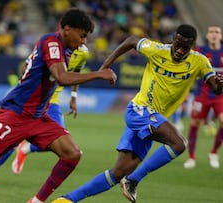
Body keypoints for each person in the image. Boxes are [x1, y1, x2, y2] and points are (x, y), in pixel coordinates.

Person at [0, 8, 117, 203]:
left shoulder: (63, 49)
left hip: (38, 116)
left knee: (72, 154)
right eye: (82, 35)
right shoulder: (52, 42)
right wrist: (99, 74)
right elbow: (61, 77)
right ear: (67, 29)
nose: (83, 41)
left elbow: (28, 67)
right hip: (15, 114)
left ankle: (37, 201)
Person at [51, 24, 223, 203]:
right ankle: (133, 179)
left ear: (192, 47)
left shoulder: (200, 61)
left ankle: (67, 200)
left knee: (118, 172)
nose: (180, 50)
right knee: (179, 144)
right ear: (173, 39)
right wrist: (105, 66)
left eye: (185, 48)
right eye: (177, 44)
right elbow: (132, 41)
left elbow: (215, 87)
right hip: (139, 111)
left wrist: (219, 84)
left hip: (153, 121)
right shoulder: (157, 50)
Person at [0, 45, 89, 191]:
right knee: (13, 139)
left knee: (63, 143)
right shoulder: (51, 45)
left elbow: (76, 72)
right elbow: (27, 66)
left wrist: (73, 97)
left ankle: (26, 149)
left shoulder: (83, 53)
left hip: (53, 102)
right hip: (34, 100)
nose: (82, 39)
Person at [183, 25, 223, 169]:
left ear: (220, 36)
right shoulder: (200, 52)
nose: (214, 34)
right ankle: (191, 157)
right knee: (194, 124)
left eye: (216, 32)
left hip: (220, 96)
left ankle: (213, 152)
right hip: (202, 95)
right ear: (207, 35)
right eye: (211, 31)